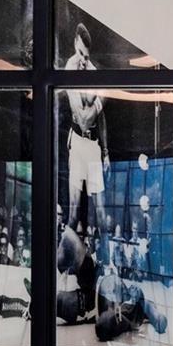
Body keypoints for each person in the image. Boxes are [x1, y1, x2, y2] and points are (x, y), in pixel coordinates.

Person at [61, 21, 109, 231]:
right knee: (73, 213)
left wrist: (106, 152)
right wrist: (99, 100)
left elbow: (100, 120)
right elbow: (83, 119)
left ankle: (107, 263)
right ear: (75, 45)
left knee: (100, 212)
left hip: (93, 145)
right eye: (80, 53)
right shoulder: (69, 68)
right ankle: (61, 263)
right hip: (77, 143)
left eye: (86, 57)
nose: (83, 60)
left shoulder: (94, 72)